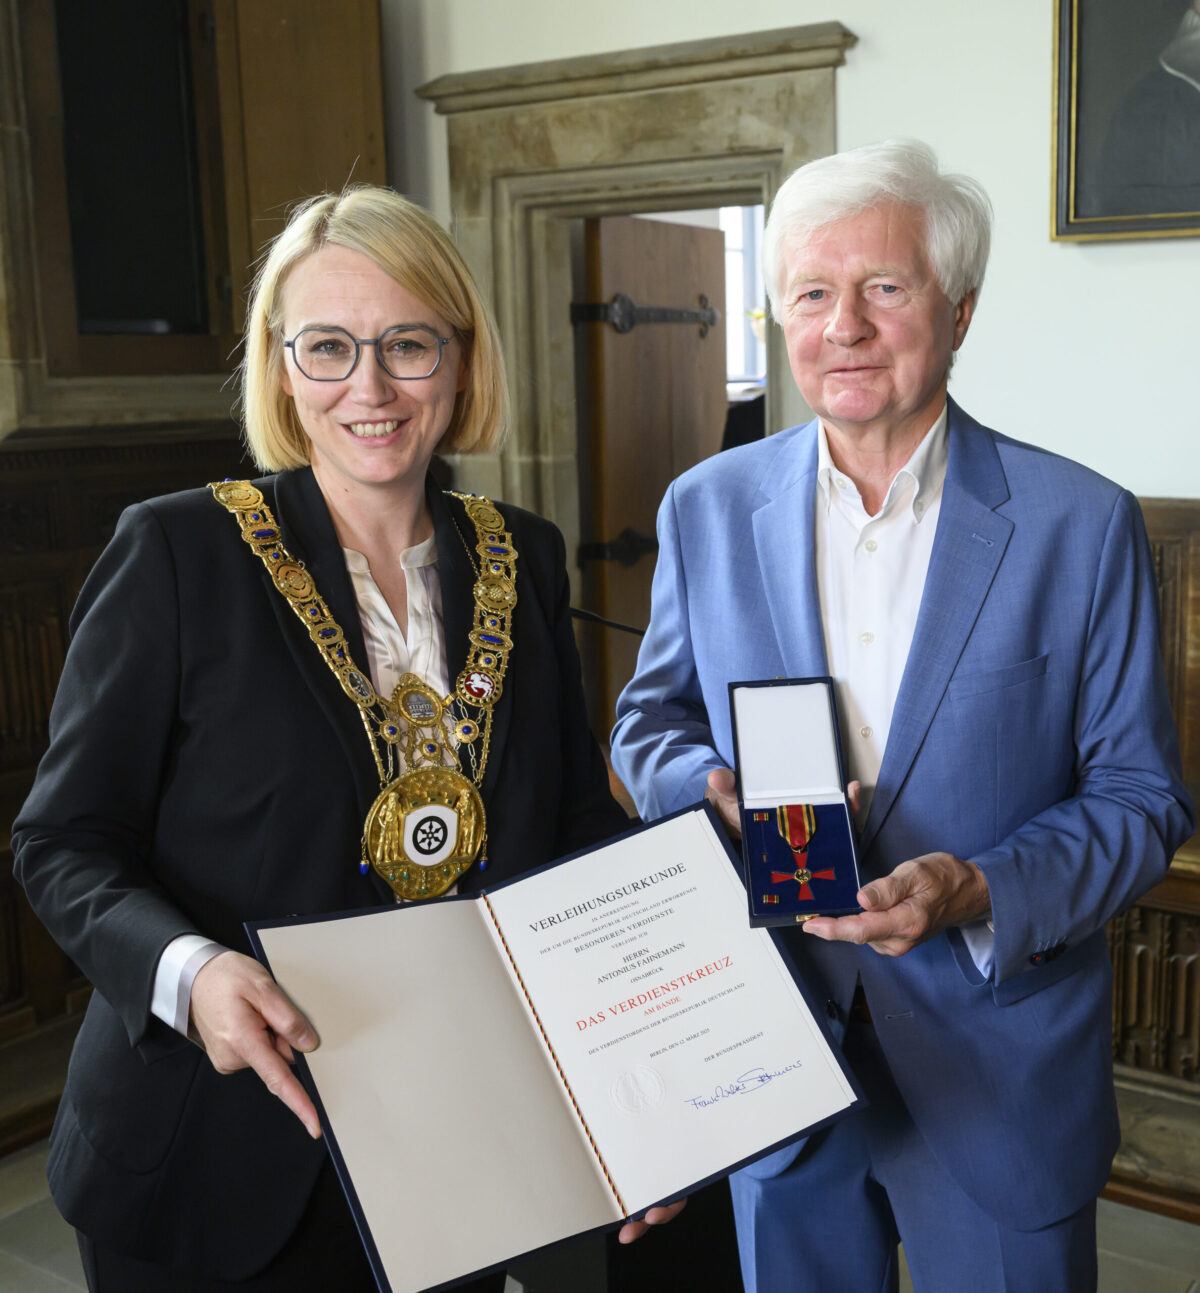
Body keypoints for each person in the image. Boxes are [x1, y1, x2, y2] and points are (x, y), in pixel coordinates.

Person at [12, 186, 653, 1291]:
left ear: (459, 360)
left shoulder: (526, 554)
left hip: (451, 1148)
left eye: (408, 344)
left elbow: (573, 828)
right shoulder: (177, 553)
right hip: (212, 1149)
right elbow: (63, 841)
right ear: (281, 368)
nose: (370, 386)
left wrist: (645, 1054)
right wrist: (190, 972)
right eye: (328, 347)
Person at [610, 140, 1194, 1292]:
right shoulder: (706, 509)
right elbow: (648, 730)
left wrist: (976, 888)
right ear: (781, 316)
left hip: (1000, 1062)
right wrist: (711, 789)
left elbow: (1142, 798)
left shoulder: (1081, 524)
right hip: (773, 1058)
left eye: (886, 288)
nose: (847, 327)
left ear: (961, 309)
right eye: (813, 295)